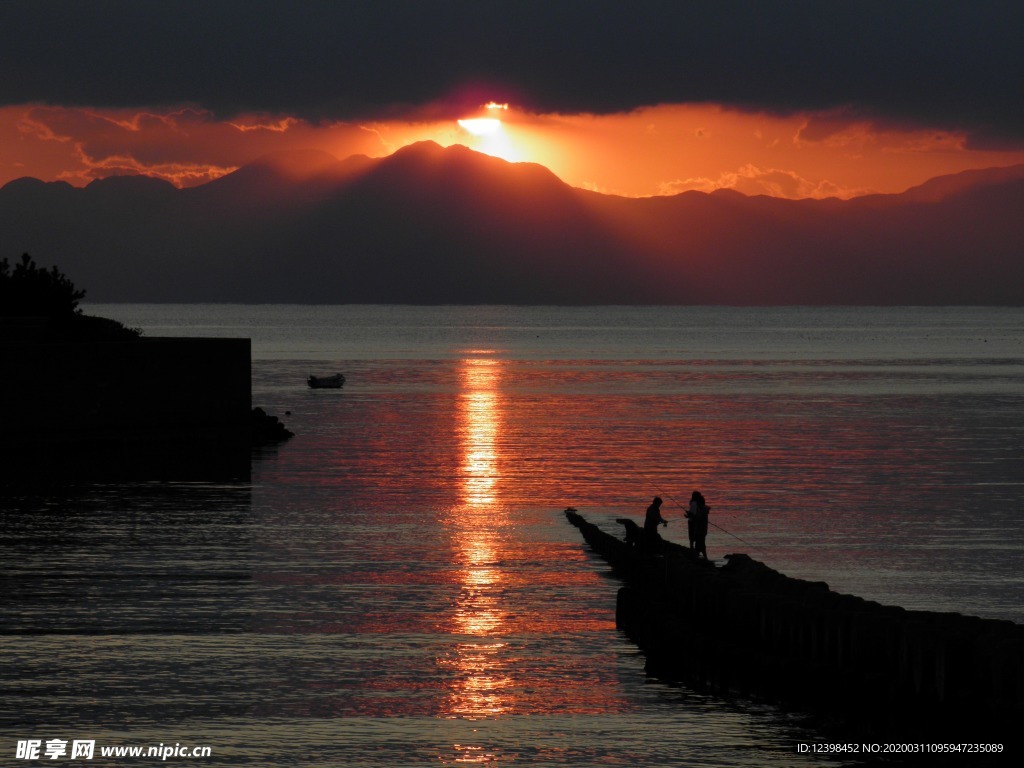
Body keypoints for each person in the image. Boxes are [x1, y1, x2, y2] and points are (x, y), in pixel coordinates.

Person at [685, 490, 710, 560]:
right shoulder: (702, 509)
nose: (697, 505)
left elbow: (697, 518)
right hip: (700, 529)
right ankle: (704, 558)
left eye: (698, 504)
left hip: (700, 529)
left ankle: (700, 557)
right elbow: (697, 517)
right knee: (701, 543)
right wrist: (690, 515)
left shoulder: (702, 510)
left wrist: (690, 515)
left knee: (699, 543)